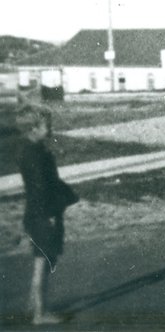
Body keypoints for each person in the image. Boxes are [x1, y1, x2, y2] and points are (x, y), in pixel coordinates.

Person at [16, 103, 78, 325]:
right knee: (42, 262)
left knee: (43, 259)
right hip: (42, 213)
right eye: (47, 126)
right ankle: (39, 314)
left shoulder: (33, 149)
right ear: (33, 128)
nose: (50, 129)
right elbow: (41, 188)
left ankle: (34, 305)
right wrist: (50, 214)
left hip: (38, 212)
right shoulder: (34, 155)